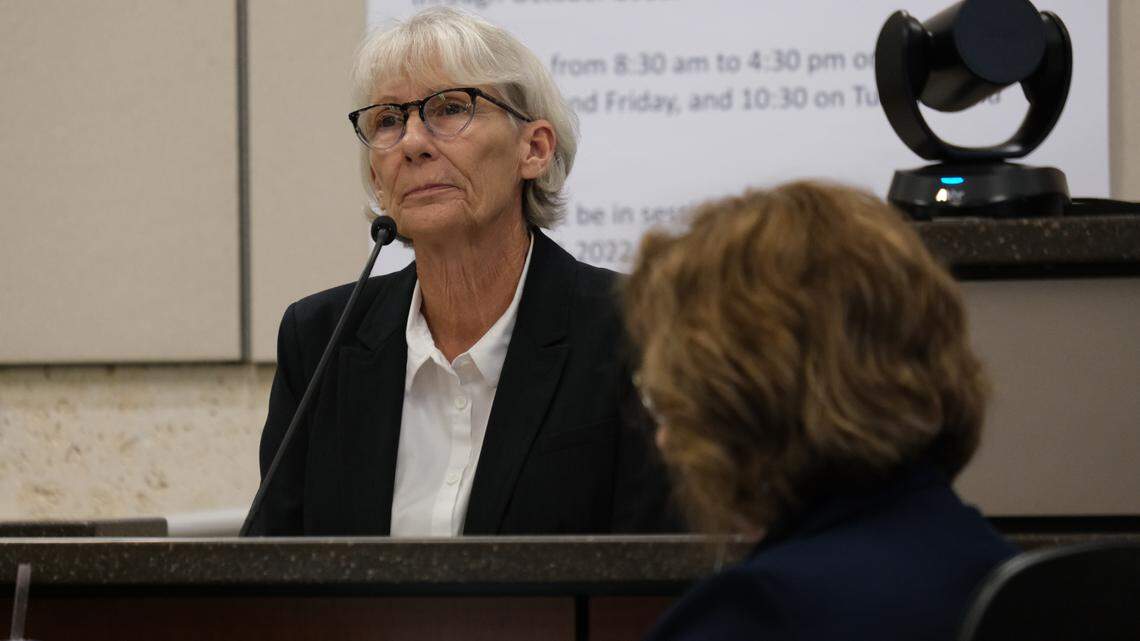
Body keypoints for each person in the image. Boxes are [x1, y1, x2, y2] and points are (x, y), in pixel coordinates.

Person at [248, 8, 671, 536]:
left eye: (449, 109)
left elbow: (660, 575)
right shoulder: (321, 341)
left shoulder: (637, 328)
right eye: (387, 120)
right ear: (378, 181)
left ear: (534, 149)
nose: (413, 142)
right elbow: (271, 575)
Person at [624, 182, 1017, 640]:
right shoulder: (1012, 576)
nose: (665, 439)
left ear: (741, 394)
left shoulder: (756, 616)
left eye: (670, 398)